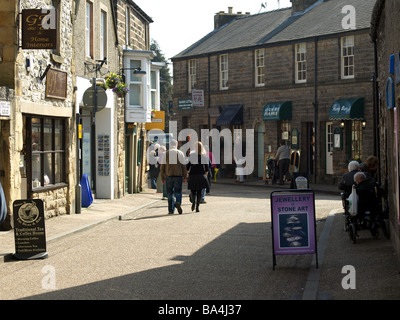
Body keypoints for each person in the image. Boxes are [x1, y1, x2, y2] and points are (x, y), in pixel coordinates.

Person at [160, 139, 187, 214]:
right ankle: (178, 202)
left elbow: (162, 166)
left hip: (169, 176)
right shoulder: (180, 153)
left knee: (170, 193)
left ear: (170, 145)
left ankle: (171, 210)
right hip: (178, 176)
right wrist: (185, 176)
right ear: (176, 144)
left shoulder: (166, 154)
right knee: (178, 192)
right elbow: (183, 166)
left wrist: (162, 177)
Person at [186, 141, 210, 212]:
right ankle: (197, 207)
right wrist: (205, 176)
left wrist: (187, 174)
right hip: (201, 175)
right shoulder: (204, 156)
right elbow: (207, 169)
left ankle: (193, 202)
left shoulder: (191, 155)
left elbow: (187, 167)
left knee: (193, 191)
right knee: (199, 191)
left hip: (193, 175)